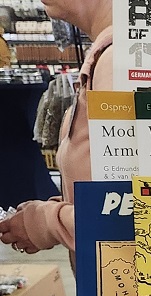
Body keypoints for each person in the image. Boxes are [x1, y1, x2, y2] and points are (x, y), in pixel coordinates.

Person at [0, 0, 113, 257]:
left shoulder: (114, 61)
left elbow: (132, 211)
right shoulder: (108, 54)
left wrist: (47, 222)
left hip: (121, 276)